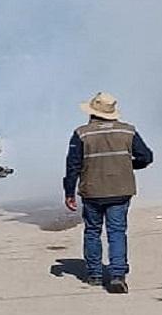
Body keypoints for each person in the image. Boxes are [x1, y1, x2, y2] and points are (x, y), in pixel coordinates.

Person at [63, 92, 153, 293]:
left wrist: (69, 192)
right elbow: (146, 157)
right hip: (121, 190)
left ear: (92, 113)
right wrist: (127, 166)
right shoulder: (128, 131)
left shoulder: (82, 133)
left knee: (93, 231)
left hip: (92, 191)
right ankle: (118, 275)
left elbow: (73, 166)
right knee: (117, 231)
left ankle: (95, 274)